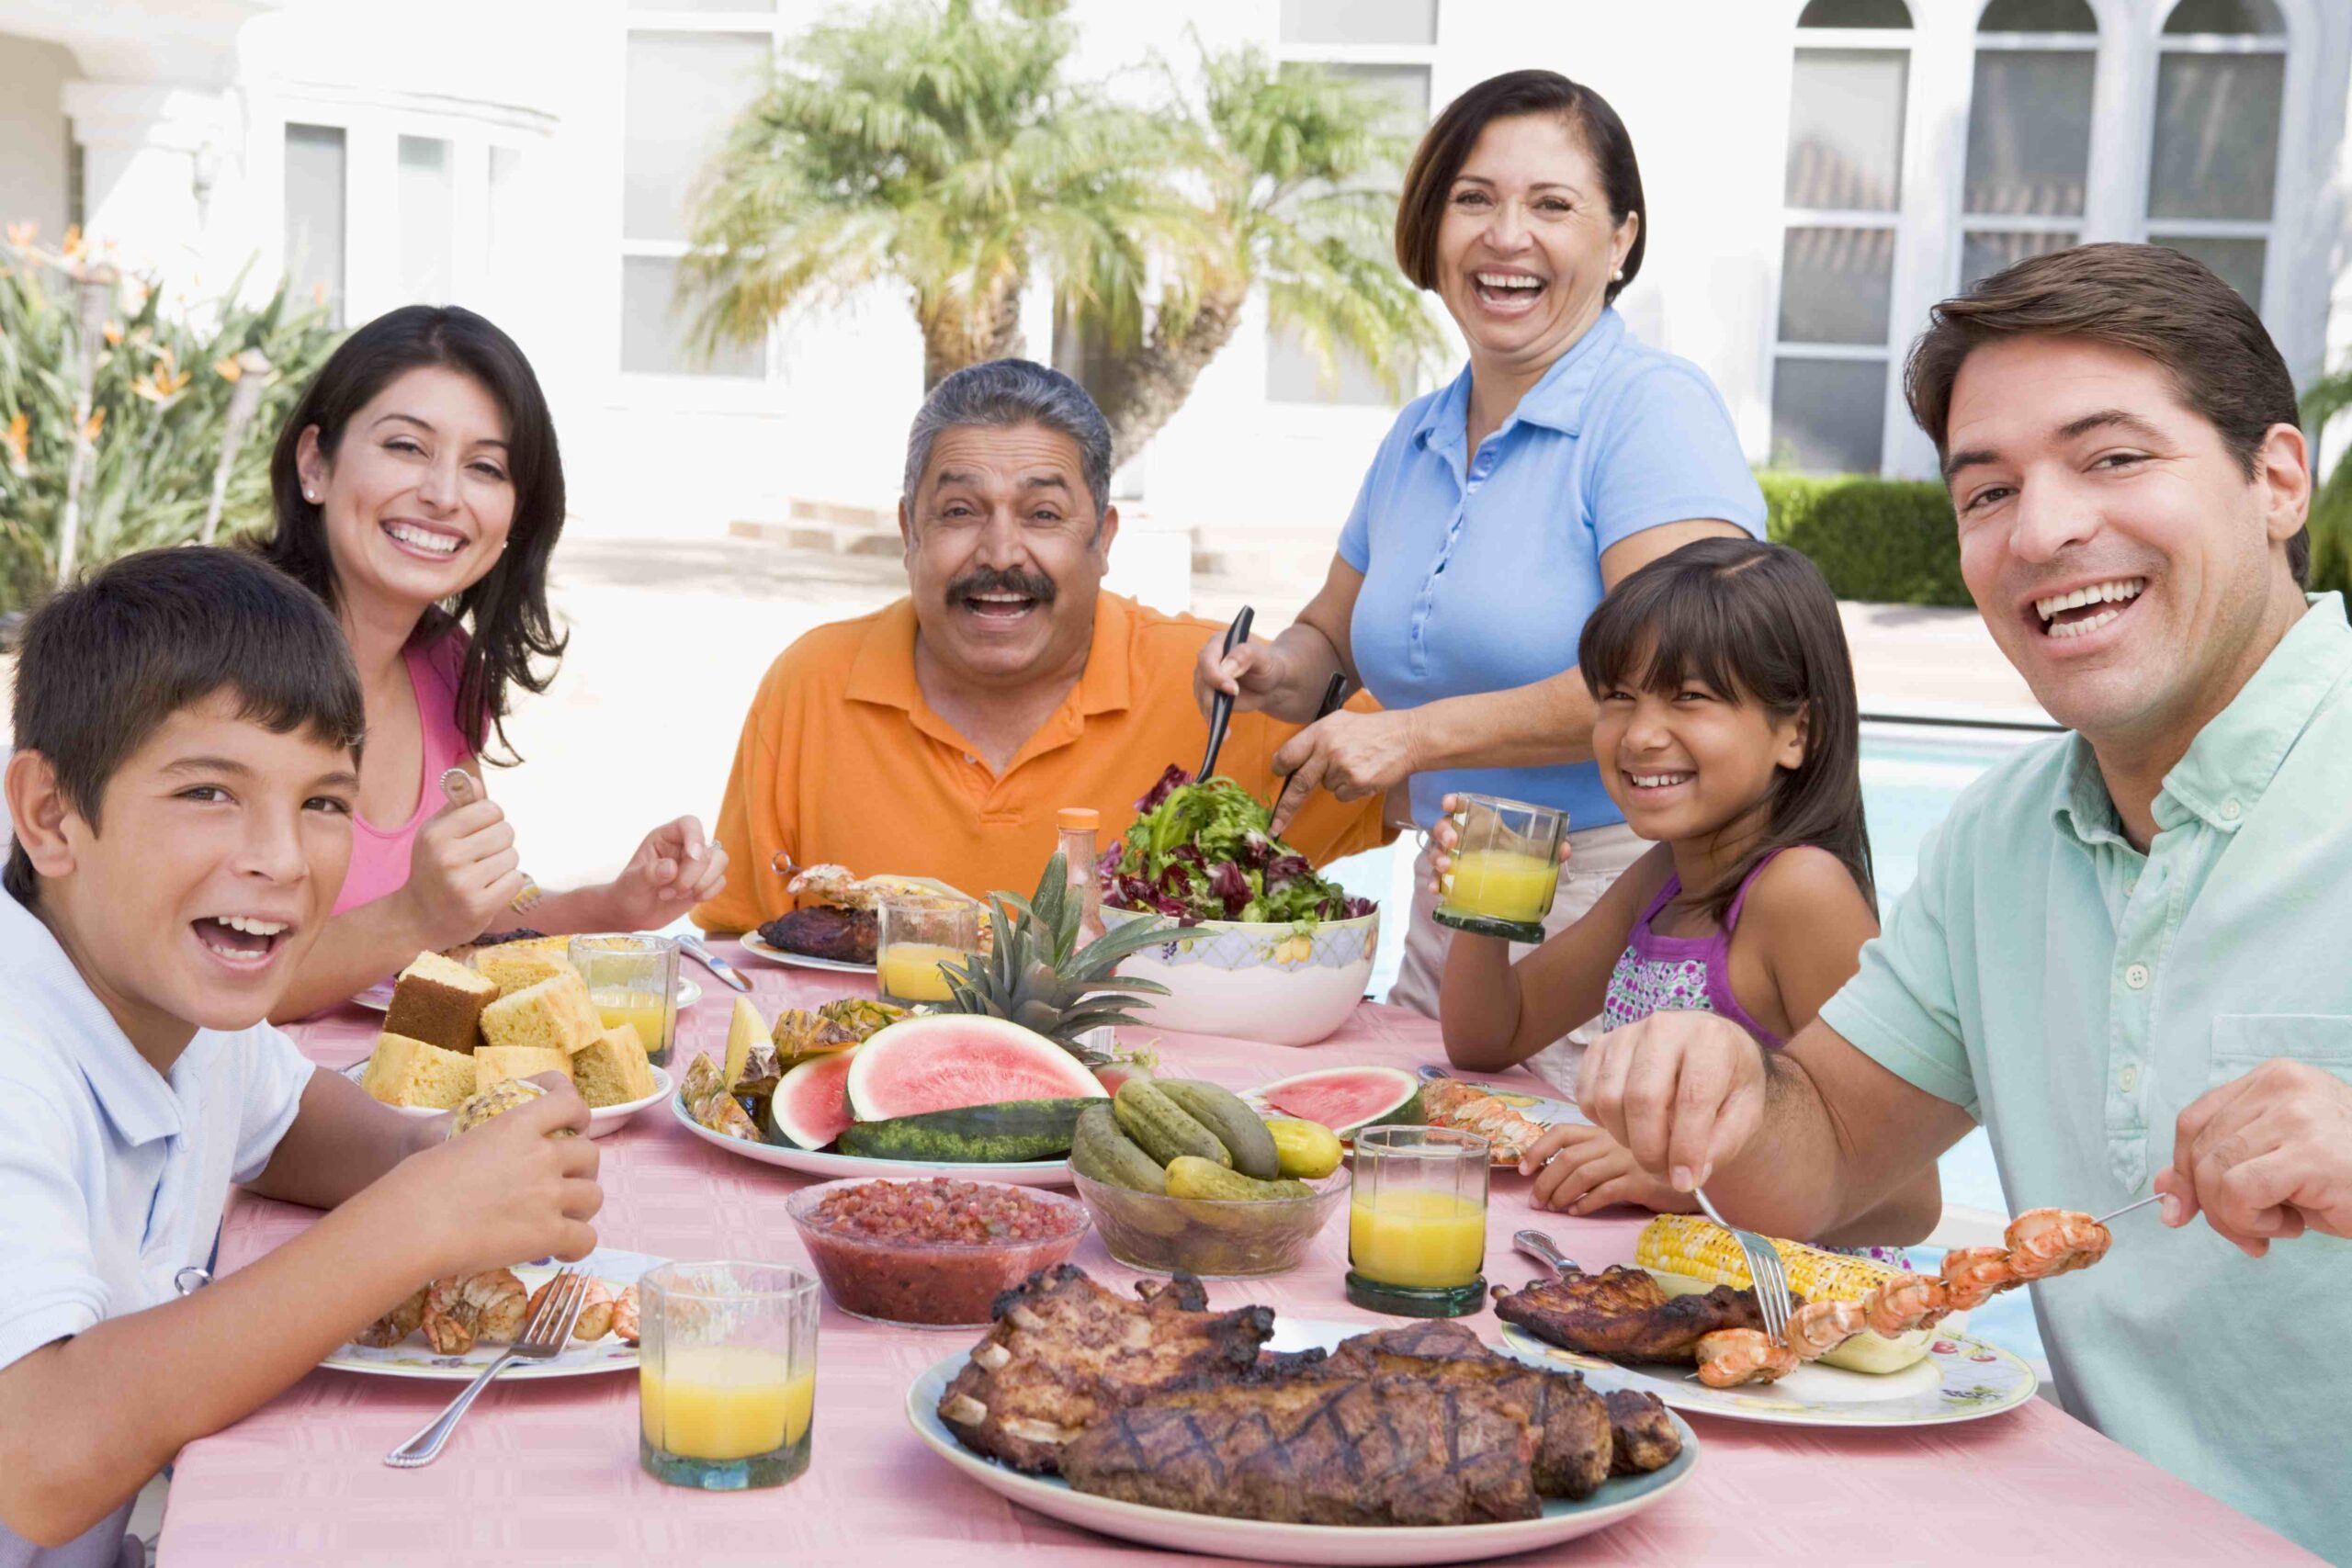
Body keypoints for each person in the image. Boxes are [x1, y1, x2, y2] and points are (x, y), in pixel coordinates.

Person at [1572, 244, 2351, 1562]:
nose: (2041, 530)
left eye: (2111, 458)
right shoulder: (2001, 838)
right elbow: (1822, 1154)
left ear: (2277, 480)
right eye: (1987, 488)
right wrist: (1731, 1083)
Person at [0, 548, 601, 1567]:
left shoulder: (171, 995)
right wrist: (413, 1225)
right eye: (208, 792)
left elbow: (284, 1124)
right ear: (52, 815)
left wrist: (439, 1155)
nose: (280, 858)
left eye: (324, 802)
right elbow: (41, 1458)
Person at [1194, 70, 1764, 1064]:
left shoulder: (1652, 412)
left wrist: (1410, 739)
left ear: (1620, 238)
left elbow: (1681, 682)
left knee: (1558, 1204)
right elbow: (1335, 633)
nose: (1507, 237)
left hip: (1622, 901)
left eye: (1552, 205)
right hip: (1457, 891)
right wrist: (1275, 673)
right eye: (1474, 200)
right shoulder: (1418, 433)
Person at [691, 359, 1387, 931]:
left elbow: (1456, 780)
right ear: (909, 532)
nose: (999, 552)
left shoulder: (1228, 687)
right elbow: (740, 950)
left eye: (1043, 514)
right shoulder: (811, 682)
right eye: (960, 511)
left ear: (1104, 538)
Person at [1438, 538, 1937, 1254]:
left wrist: (1679, 1182)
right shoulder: (1667, 874)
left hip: (1799, 1321)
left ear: (1798, 730)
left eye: (1691, 698)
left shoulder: (1799, 893)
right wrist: (1479, 906)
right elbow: (1491, 1036)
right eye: (1619, 696)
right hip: (1677, 1284)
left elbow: (1910, 1199)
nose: (1640, 735)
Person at [255, 305, 727, 1019]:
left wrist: (615, 902)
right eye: (407, 447)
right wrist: (413, 916)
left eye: (484, 467)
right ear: (315, 463)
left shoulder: (444, 663)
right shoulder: (224, 663)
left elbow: (476, 911)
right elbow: (184, 975)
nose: (444, 495)